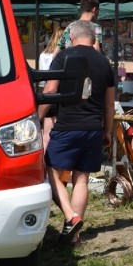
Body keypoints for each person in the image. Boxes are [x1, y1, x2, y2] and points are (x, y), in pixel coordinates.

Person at [38, 19, 115, 245]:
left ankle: (71, 217)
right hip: (93, 128)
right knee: (81, 179)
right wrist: (107, 131)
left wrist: (38, 116)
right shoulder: (104, 63)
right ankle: (74, 235)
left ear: (71, 38)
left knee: (49, 170)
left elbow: (51, 89)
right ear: (94, 39)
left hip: (68, 126)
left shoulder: (64, 56)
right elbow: (110, 104)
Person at [39, 27, 64, 149]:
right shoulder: (63, 55)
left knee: (46, 132)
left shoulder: (43, 54)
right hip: (59, 91)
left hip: (46, 89)